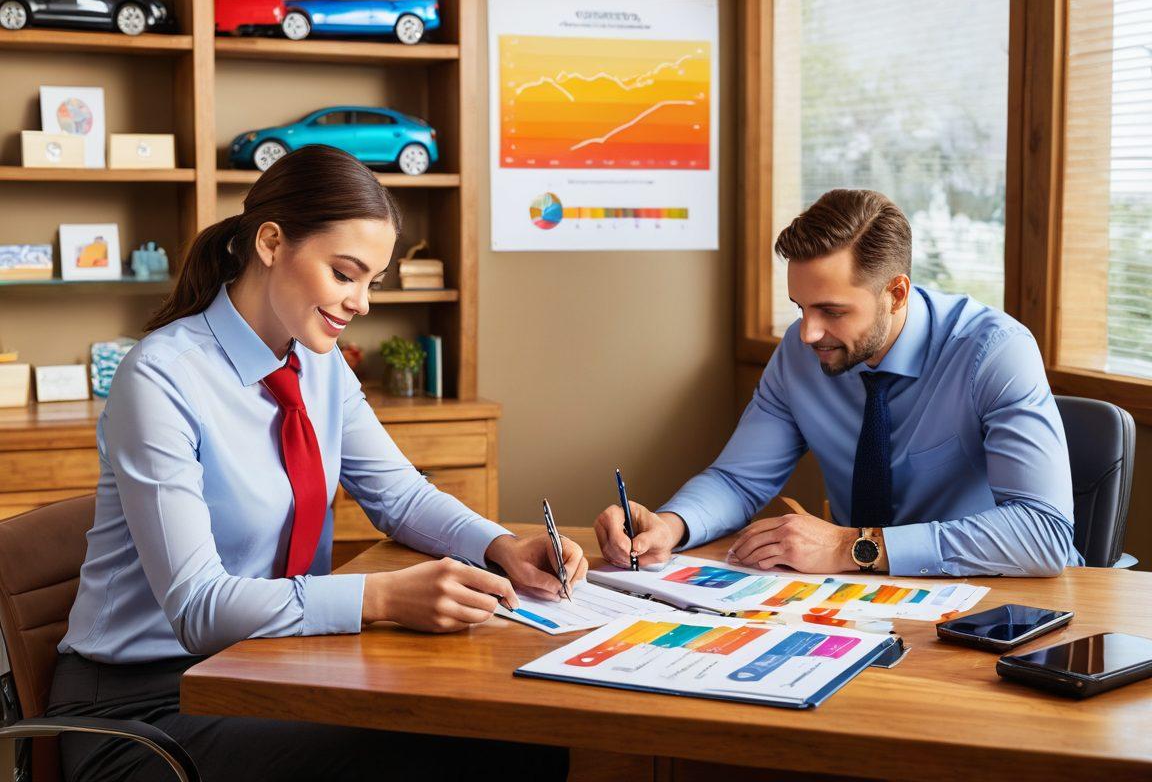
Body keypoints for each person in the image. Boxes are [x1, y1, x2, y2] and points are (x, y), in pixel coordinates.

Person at [47, 145, 581, 782]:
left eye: (372, 283)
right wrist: (381, 596)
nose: (361, 302)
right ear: (272, 242)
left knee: (513, 731)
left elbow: (400, 496)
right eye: (345, 274)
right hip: (147, 707)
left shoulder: (319, 365)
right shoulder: (161, 378)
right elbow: (197, 608)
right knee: (474, 747)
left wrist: (501, 547)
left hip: (265, 666)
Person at [596, 189, 1081, 580]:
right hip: (857, 596)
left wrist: (853, 546)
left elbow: (1044, 534)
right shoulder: (801, 351)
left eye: (831, 310)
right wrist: (672, 526)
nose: (807, 332)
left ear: (895, 293)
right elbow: (738, 478)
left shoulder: (993, 351)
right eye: (800, 307)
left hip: (988, 599)